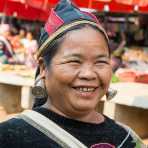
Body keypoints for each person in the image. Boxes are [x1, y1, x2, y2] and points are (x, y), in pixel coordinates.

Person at [0, 0, 146, 148]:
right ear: (44, 68)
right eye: (74, 61)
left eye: (100, 62)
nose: (89, 74)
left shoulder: (126, 139)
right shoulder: (9, 138)